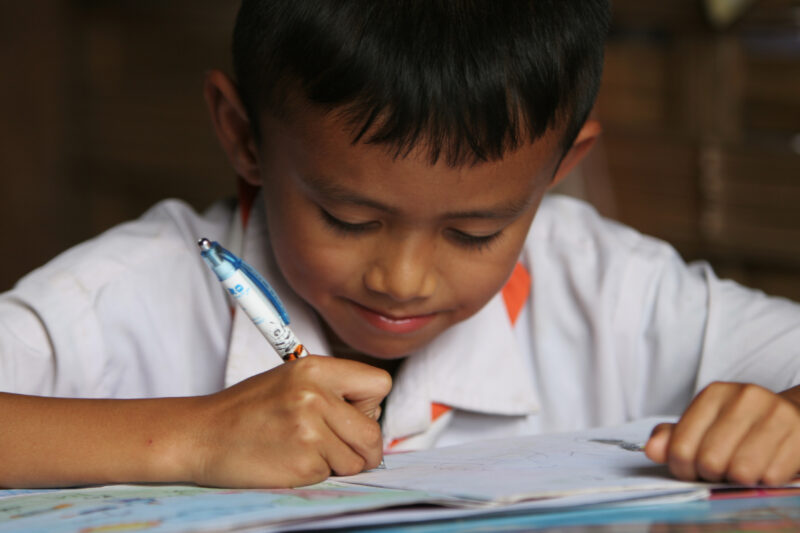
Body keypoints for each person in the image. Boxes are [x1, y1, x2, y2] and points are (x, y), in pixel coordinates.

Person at [1, 0, 799, 490]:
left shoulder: (614, 293)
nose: (404, 278)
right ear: (244, 135)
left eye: (473, 231)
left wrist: (786, 422)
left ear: (559, 170)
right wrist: (192, 438)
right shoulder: (127, 297)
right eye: (349, 219)